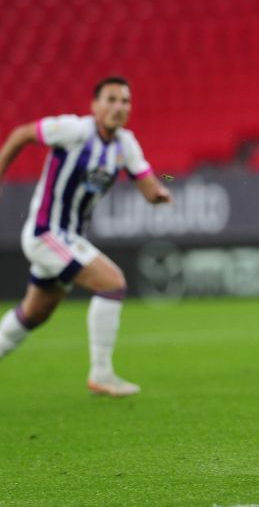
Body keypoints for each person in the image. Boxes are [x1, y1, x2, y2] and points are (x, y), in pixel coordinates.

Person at [0, 76, 172, 397]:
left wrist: (159, 192)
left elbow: (146, 182)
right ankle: (102, 374)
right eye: (111, 99)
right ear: (94, 105)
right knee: (112, 282)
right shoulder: (73, 130)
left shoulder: (126, 144)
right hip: (46, 233)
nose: (119, 107)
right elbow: (20, 134)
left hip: (69, 239)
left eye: (125, 101)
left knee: (34, 314)